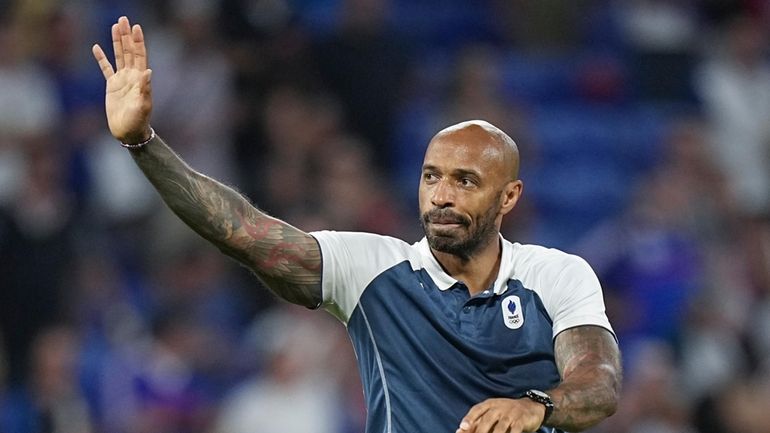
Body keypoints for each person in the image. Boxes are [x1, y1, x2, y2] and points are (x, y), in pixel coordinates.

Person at [92, 16, 621, 433]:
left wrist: (537, 407)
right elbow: (244, 233)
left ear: (509, 197)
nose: (440, 195)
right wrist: (143, 142)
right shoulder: (372, 269)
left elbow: (598, 383)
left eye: (465, 181)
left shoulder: (556, 275)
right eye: (431, 176)